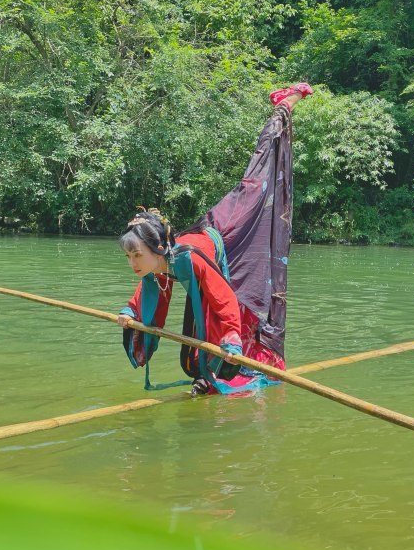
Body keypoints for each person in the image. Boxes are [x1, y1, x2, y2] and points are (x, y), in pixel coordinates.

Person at [117, 83, 312, 395]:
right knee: (206, 311)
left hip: (231, 231)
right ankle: (209, 373)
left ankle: (284, 106)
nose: (132, 263)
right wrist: (131, 312)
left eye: (137, 255)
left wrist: (232, 335)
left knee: (257, 181)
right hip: (210, 238)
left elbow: (222, 297)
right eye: (129, 257)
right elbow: (152, 289)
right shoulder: (159, 264)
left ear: (157, 249)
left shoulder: (187, 257)